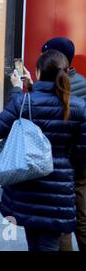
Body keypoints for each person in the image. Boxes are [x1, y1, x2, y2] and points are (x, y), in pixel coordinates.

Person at [0, 49, 86, 251]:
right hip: (59, 190)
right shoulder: (79, 106)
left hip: (28, 186)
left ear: (38, 72)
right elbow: (81, 155)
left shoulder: (24, 101)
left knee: (35, 243)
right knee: (49, 244)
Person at [41, 37, 86, 251]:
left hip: (60, 165)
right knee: (83, 220)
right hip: (81, 165)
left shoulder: (54, 89)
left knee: (62, 226)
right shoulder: (83, 82)